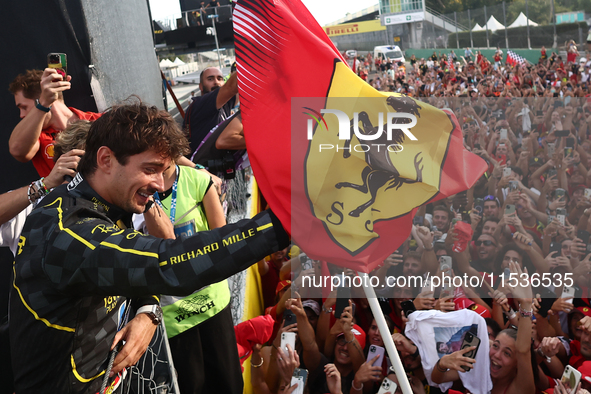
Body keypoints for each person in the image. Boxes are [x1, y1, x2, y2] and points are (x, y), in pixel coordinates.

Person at [9, 101, 290, 394]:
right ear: (105, 159)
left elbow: (135, 267)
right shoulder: (69, 233)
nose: (159, 184)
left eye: (164, 171)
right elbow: (168, 263)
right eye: (150, 169)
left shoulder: (104, 201)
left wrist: (148, 310)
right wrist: (282, 225)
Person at [8, 68, 101, 177]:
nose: (21, 115)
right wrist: (43, 106)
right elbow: (17, 150)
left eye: (24, 107)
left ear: (45, 97)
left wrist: (43, 103)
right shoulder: (36, 137)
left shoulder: (98, 121)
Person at [183, 67, 238, 152]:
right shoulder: (199, 104)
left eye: (219, 79)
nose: (216, 82)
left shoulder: (224, 104)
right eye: (210, 79)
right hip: (201, 164)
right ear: (201, 86)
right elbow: (231, 87)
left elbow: (239, 90)